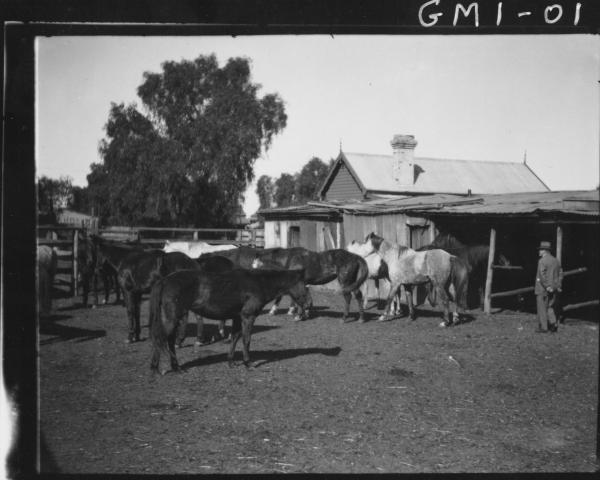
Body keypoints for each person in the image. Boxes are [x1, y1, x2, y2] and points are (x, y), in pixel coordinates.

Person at [534, 240, 563, 333]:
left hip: (542, 288)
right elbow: (561, 274)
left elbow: (542, 276)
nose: (539, 251)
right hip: (553, 288)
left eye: (540, 249)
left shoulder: (542, 261)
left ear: (544, 251)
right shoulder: (556, 261)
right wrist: (557, 285)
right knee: (550, 307)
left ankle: (544, 327)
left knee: (542, 308)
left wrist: (547, 286)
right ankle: (554, 323)